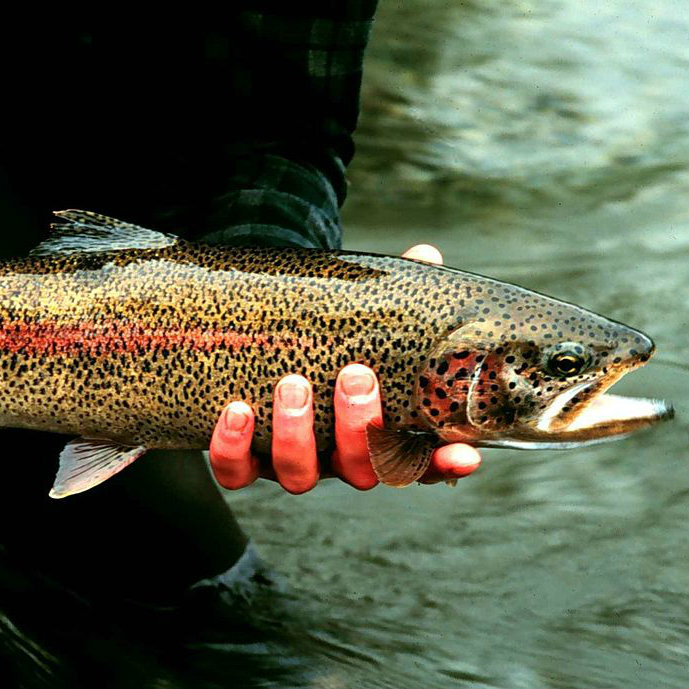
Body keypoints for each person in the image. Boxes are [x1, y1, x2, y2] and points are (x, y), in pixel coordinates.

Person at [0, 1, 481, 653]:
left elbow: (277, 134)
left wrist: (267, 292)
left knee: (219, 629)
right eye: (561, 367)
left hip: (86, 227)